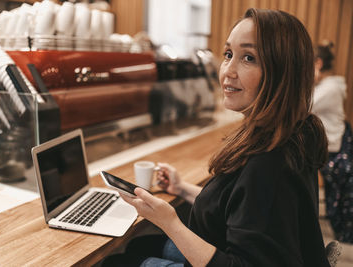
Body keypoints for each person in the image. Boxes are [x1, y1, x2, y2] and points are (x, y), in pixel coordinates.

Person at [103, 8, 331, 266]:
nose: (228, 71)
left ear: (282, 72)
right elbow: (246, 212)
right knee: (138, 245)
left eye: (248, 58)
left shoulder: (270, 163)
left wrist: (169, 222)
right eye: (228, 54)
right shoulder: (289, 130)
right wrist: (182, 189)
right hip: (224, 243)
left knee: (116, 262)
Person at [312, 41, 353, 243]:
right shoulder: (327, 86)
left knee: (338, 195)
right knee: (332, 192)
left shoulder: (330, 89)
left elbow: (304, 106)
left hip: (335, 148)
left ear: (318, 64)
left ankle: (344, 236)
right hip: (332, 145)